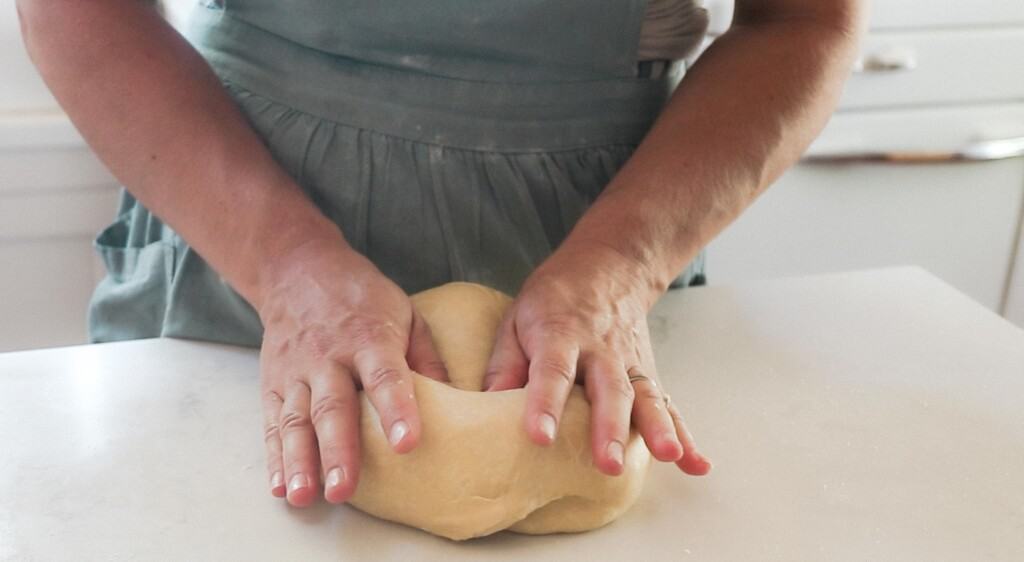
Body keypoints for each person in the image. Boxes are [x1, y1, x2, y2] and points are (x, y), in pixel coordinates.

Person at [18, 0, 862, 507]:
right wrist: (284, 270)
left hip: (608, 236)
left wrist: (624, 267)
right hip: (235, 223)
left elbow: (802, 21)